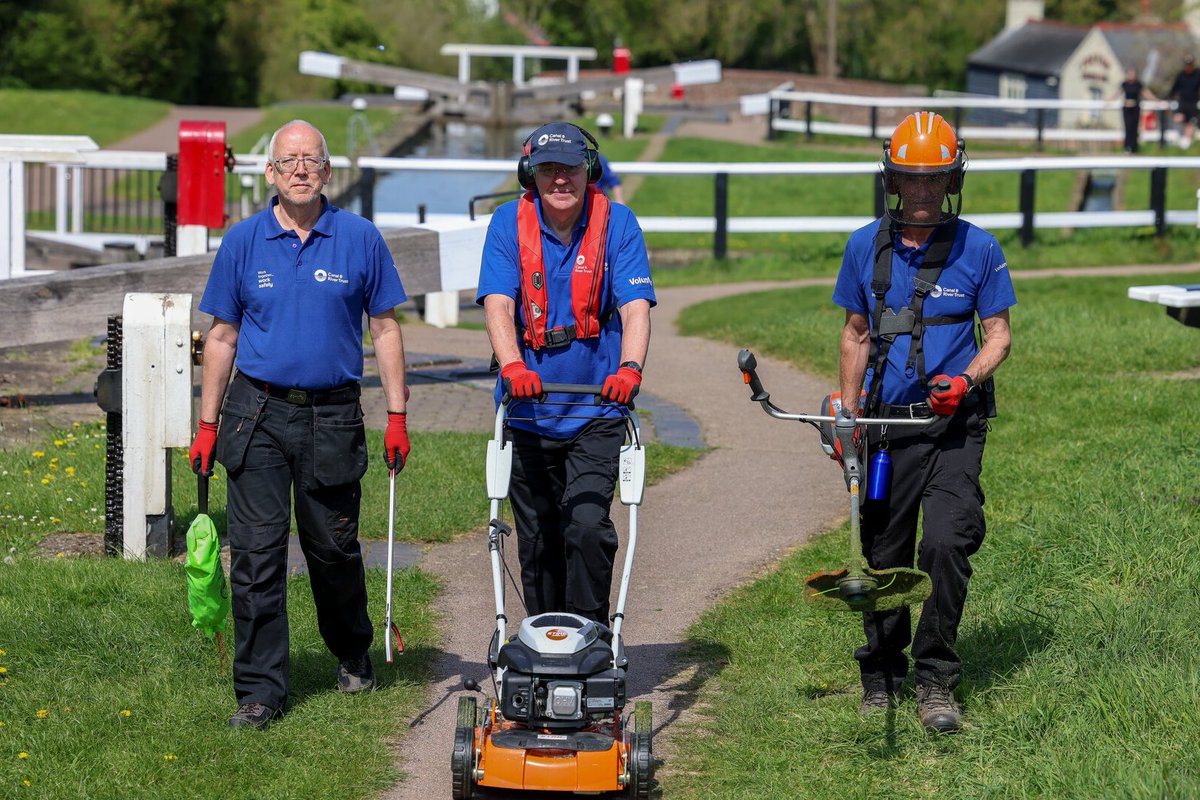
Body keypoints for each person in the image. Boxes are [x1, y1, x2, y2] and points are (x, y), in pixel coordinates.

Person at [188, 120, 411, 730]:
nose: (301, 170)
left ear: (328, 172)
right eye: (289, 161)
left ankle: (351, 649)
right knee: (255, 557)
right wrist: (206, 425)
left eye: (312, 160)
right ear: (270, 174)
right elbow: (223, 335)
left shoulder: (360, 239)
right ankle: (260, 690)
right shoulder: (242, 242)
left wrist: (396, 414)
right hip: (255, 413)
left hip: (333, 415)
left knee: (332, 549)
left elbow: (385, 329)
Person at [831, 112, 1015, 733]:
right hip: (886, 428)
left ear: (952, 179)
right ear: (891, 180)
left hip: (954, 429)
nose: (922, 191)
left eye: (934, 179)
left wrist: (966, 380)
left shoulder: (979, 247)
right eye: (910, 179)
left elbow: (998, 336)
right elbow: (855, 333)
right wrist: (848, 415)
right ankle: (881, 673)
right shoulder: (864, 246)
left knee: (943, 542)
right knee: (882, 556)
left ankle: (936, 678)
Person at [476, 121, 654, 625]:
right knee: (536, 541)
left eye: (570, 168)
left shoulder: (618, 224)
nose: (560, 179)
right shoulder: (506, 224)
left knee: (586, 524)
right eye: (548, 169)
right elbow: (497, 302)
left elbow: (637, 307)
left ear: (589, 170)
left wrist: (630, 368)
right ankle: (543, 639)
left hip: (596, 406)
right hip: (527, 409)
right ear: (529, 174)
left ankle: (590, 634)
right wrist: (512, 364)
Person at [1113, 68, 1156, 154]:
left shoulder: (1138, 84)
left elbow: (1146, 93)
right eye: (1129, 73)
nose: (1131, 75)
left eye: (1132, 73)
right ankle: (1127, 147)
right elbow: (1117, 93)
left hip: (1135, 108)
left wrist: (1155, 100)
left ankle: (1134, 148)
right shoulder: (1124, 84)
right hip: (1126, 108)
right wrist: (1108, 101)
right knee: (1128, 127)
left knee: (1135, 128)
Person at [1168, 54, 1200, 149]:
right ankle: (1178, 137)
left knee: (1191, 122)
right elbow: (1174, 89)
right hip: (1182, 101)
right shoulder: (1181, 75)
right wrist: (1168, 98)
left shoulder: (1198, 74)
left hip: (1193, 102)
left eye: (1190, 64)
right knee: (1178, 118)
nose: (1188, 66)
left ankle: (1186, 142)